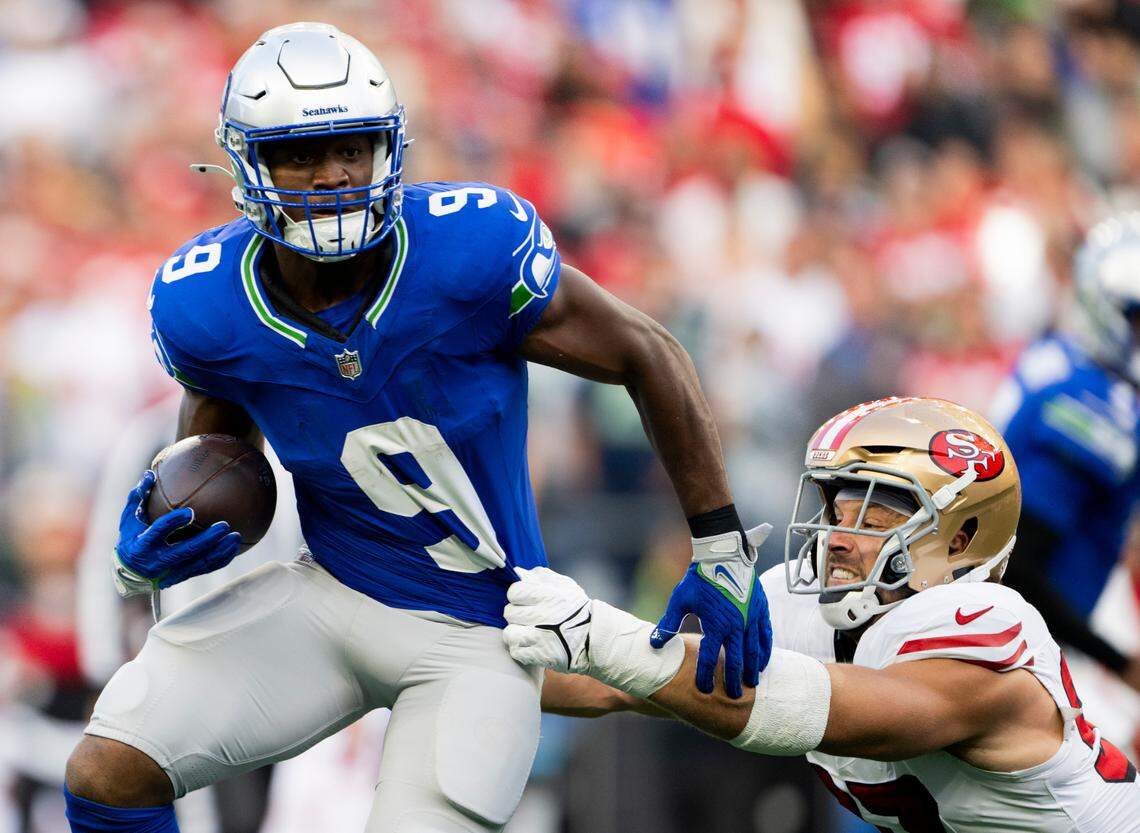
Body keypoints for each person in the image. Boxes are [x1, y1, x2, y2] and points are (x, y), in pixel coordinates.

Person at [62, 21, 765, 833]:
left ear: (387, 149)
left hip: (483, 630)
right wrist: (160, 544)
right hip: (334, 594)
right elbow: (223, 469)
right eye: (299, 155)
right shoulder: (206, 303)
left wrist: (720, 548)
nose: (331, 176)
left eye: (352, 149)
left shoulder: (469, 251)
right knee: (108, 769)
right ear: (249, 166)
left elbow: (648, 351)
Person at [504, 397, 1140, 832]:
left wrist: (596, 636)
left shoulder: (985, 627)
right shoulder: (808, 606)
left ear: (961, 540)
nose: (839, 533)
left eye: (879, 510)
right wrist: (444, 659)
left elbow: (817, 710)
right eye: (837, 506)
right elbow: (619, 681)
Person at [990, 213, 1140, 693]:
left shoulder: (1060, 362)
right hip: (1006, 647)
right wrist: (1117, 662)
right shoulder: (1095, 411)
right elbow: (1016, 563)